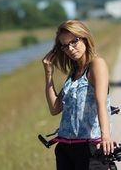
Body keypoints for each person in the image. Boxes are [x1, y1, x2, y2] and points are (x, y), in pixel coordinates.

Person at [42, 20, 115, 170]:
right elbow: (55, 108)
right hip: (65, 150)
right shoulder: (74, 72)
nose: (70, 48)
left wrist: (105, 136)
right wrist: (48, 73)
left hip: (89, 148)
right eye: (65, 45)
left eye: (74, 41)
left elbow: (101, 103)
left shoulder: (97, 64)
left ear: (85, 38)